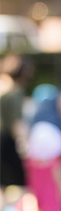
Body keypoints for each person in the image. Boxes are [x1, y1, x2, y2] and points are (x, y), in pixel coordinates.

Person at [0, 54, 32, 191]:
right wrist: (26, 148)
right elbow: (16, 124)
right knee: (17, 185)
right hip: (6, 143)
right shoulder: (14, 92)